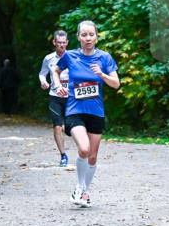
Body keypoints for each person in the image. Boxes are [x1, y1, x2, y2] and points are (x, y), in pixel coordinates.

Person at [50, 20, 120, 207]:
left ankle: (84, 192)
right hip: (74, 110)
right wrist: (57, 85)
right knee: (84, 148)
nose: (88, 38)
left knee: (93, 156)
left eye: (91, 34)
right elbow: (55, 71)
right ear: (78, 37)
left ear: (96, 36)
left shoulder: (105, 58)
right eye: (84, 35)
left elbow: (116, 84)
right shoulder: (70, 56)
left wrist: (102, 75)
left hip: (96, 112)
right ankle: (79, 189)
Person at [38, 30, 70, 166]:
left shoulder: (73, 57)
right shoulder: (48, 58)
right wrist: (43, 81)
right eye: (59, 43)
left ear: (67, 42)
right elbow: (42, 74)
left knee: (71, 128)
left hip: (71, 97)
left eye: (64, 43)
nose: (62, 45)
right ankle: (63, 155)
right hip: (55, 96)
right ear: (54, 42)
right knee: (57, 127)